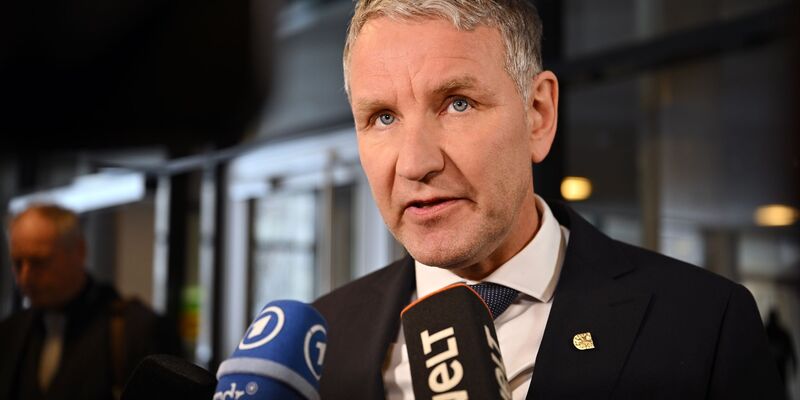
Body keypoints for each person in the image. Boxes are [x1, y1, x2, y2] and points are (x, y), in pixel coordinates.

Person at [313, 0, 785, 399]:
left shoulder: (704, 324)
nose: (415, 163)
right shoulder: (320, 343)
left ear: (538, 114)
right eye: (382, 117)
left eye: (457, 103)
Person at [0, 204, 179, 400]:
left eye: (39, 262)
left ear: (79, 252)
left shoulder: (138, 331)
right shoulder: (10, 333)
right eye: (18, 263)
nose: (24, 278)